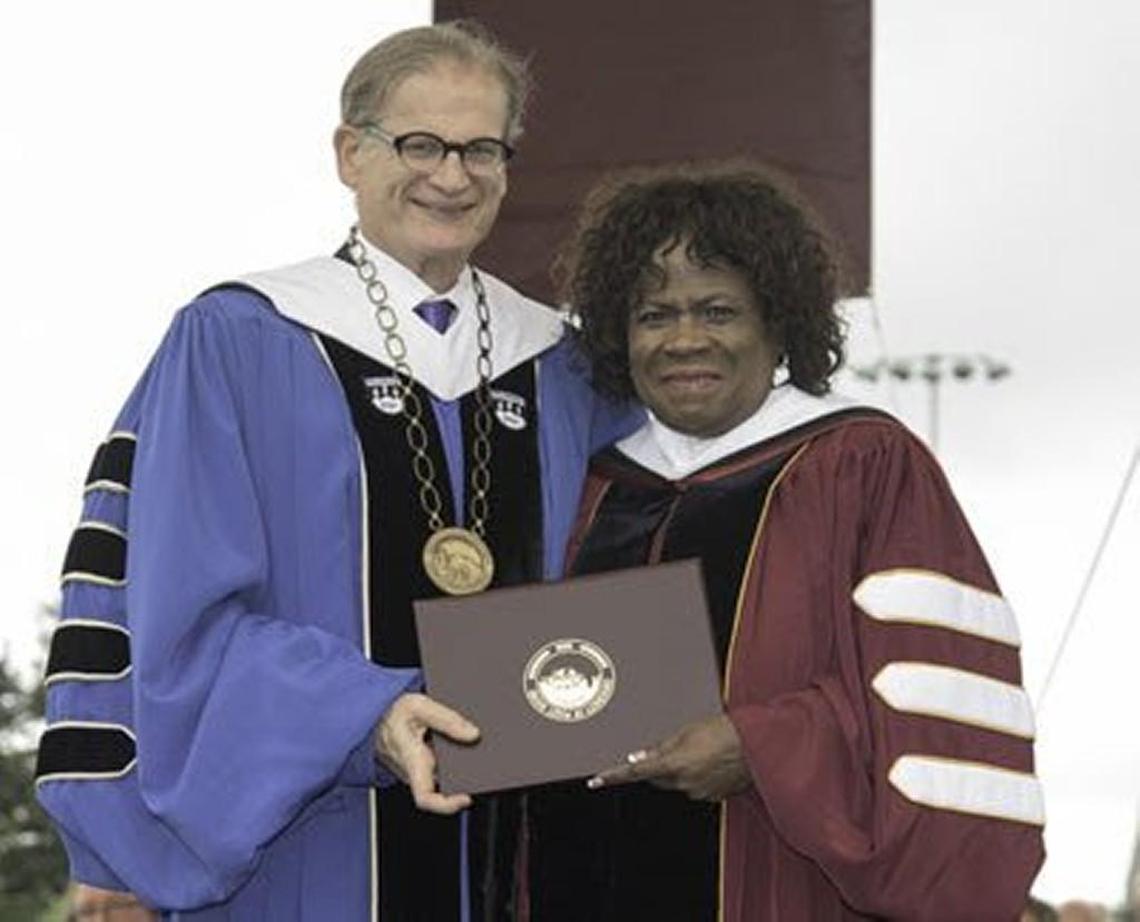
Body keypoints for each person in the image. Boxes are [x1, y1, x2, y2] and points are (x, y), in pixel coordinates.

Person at [35, 21, 635, 921]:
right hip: (310, 850)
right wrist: (365, 715)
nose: (451, 174)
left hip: (527, 856)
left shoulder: (564, 366)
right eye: (420, 143)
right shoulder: (238, 340)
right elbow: (174, 621)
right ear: (351, 154)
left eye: (482, 149)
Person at [521, 161, 1046, 921]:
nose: (685, 340)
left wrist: (762, 748)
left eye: (718, 311)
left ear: (778, 321)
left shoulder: (862, 463)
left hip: (786, 886)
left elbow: (934, 705)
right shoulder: (591, 483)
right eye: (654, 315)